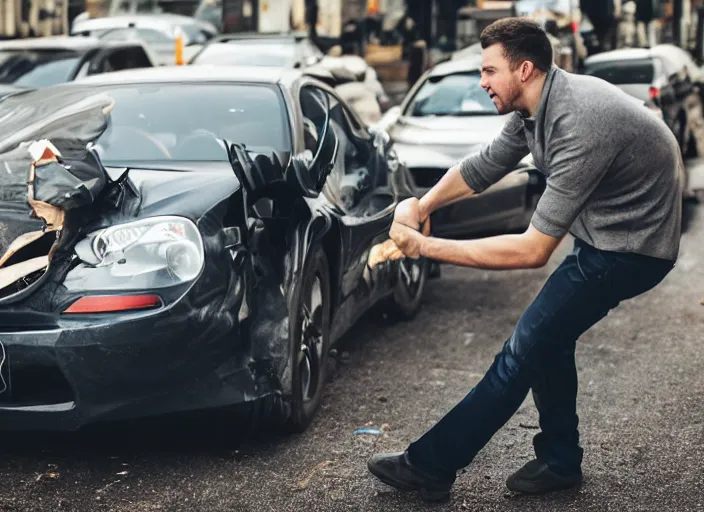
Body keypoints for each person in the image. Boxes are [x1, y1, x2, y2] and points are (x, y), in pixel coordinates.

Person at [367, 17, 682, 502]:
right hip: (605, 231)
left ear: (525, 70)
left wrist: (426, 248)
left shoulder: (579, 123)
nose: (482, 81)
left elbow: (532, 250)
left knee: (522, 350)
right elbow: (482, 166)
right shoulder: (535, 108)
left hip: (633, 246)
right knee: (548, 340)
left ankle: (430, 467)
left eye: (490, 70)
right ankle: (559, 462)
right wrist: (422, 205)